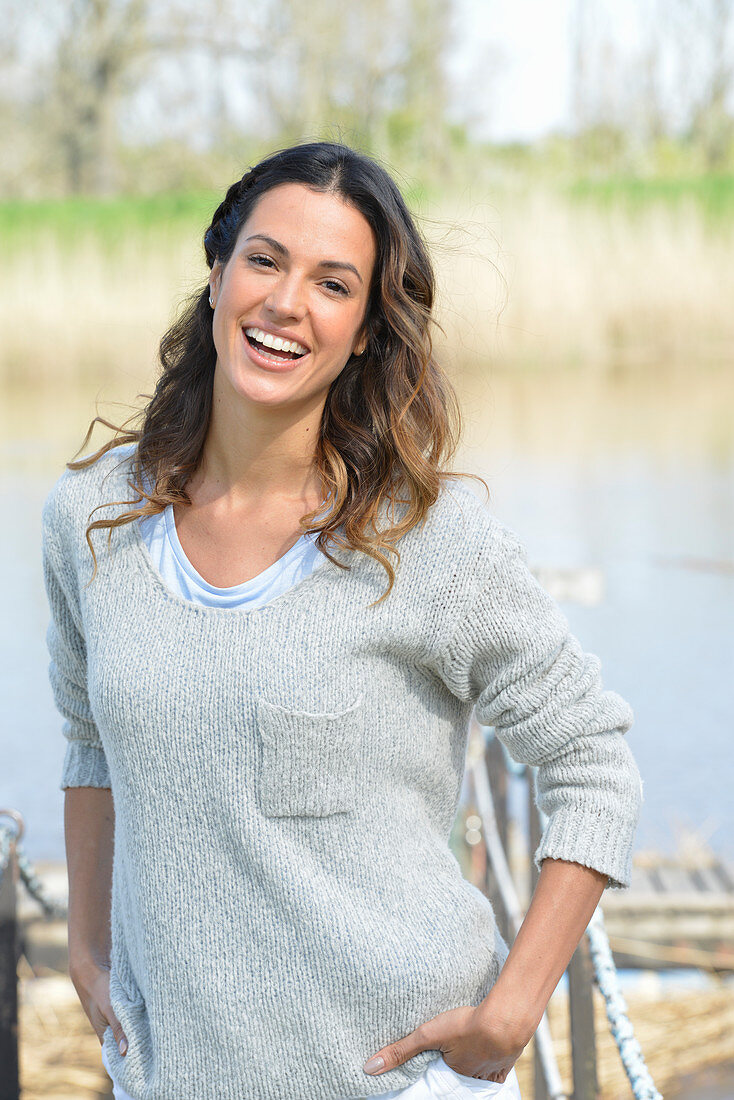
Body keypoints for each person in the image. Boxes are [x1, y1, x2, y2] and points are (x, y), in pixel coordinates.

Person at [41, 141, 643, 1100]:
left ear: (365, 329)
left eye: (333, 283)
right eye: (266, 261)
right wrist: (86, 944)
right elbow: (87, 742)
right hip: (166, 1078)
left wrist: (513, 1005)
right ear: (217, 276)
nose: (286, 304)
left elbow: (592, 761)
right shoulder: (93, 520)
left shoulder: (430, 541)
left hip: (396, 1083)